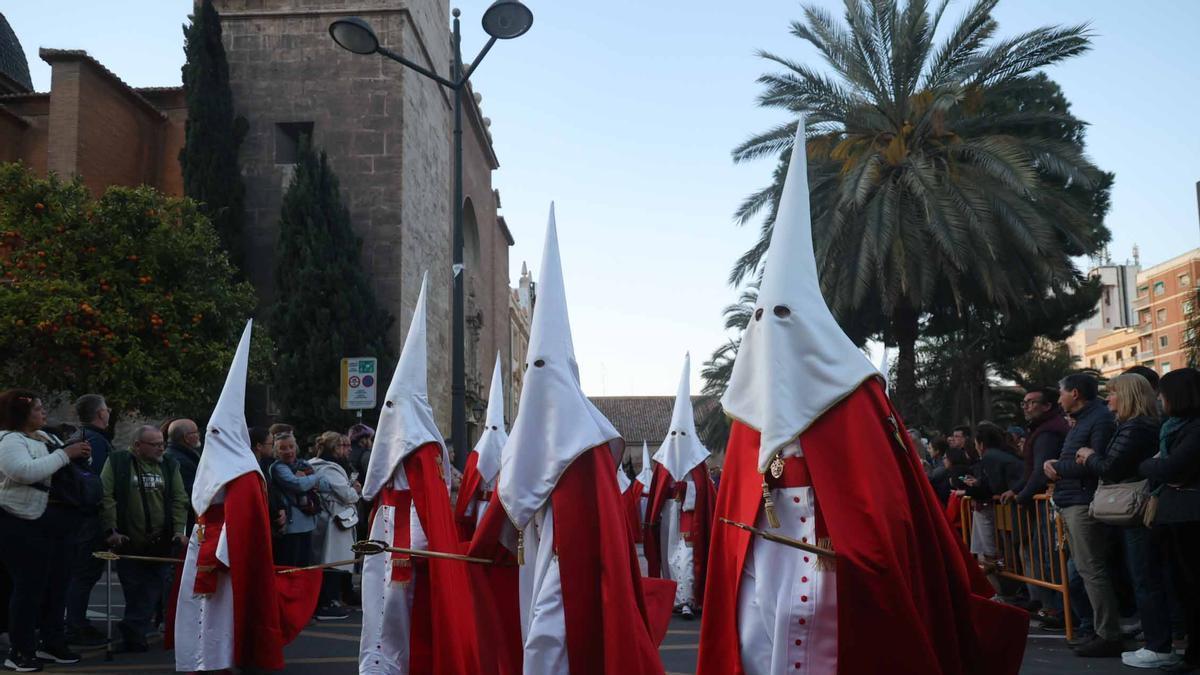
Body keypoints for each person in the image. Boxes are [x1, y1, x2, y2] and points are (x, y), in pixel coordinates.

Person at [697, 121, 1027, 675]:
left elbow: (884, 504)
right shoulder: (748, 405)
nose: (769, 331)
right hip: (763, 558)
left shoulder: (854, 390)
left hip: (833, 564)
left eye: (783, 316)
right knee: (759, 641)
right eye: (760, 318)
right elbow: (736, 501)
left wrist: (860, 546)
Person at [469, 212, 673, 674]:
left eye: (547, 368)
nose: (539, 381)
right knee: (531, 638)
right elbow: (509, 504)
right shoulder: (525, 437)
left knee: (547, 643)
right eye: (533, 367)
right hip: (532, 558)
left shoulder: (589, 445)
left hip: (567, 568)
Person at [168, 320, 321, 672]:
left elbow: (245, 519)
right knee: (205, 612)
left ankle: (217, 659)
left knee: (221, 614)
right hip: (207, 546)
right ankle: (202, 659)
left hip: (224, 553)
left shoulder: (246, 472)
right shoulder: (231, 467)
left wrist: (227, 553)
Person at [357, 272, 477, 674]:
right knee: (379, 604)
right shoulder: (422, 440)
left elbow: (426, 498)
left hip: (403, 533)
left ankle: (389, 665)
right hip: (387, 528)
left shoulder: (419, 444)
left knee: (393, 610)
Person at [1073, 372, 1177, 669]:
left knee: (1146, 578)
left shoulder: (1135, 428)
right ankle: (1157, 642)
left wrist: (1089, 455)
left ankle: (1159, 645)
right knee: (1146, 577)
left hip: (1137, 511)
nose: (1109, 398)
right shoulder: (1140, 425)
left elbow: (1111, 468)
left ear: (1128, 395)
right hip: (1140, 509)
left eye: (1114, 393)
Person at [0, 389, 91, 671]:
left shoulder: (47, 437)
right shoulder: (8, 440)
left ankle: (52, 642)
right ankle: (20, 650)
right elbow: (23, 472)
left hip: (58, 520)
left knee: (57, 584)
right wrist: (65, 454)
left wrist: (79, 457)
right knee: (28, 588)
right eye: (38, 409)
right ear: (21, 413)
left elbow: (62, 467)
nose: (43, 413)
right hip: (22, 520)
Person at [1043, 372, 1119, 657]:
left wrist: (1057, 467)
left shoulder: (1098, 418)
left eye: (1061, 392)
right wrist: (1057, 464)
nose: (1058, 398)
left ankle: (1107, 634)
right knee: (1082, 573)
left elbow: (1095, 462)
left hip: (1083, 502)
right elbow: (1074, 457)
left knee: (1091, 570)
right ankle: (1096, 630)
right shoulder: (1085, 419)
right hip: (1072, 499)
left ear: (1074, 393)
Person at [100, 425, 188, 652]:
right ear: (138, 445)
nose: (161, 448)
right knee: (133, 587)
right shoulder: (118, 462)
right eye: (155, 444)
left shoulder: (169, 465)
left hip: (160, 540)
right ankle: (134, 630)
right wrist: (111, 530)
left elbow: (179, 498)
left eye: (162, 443)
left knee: (153, 587)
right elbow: (106, 496)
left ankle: (134, 631)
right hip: (128, 539)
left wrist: (179, 530)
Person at [644, 353, 716, 620]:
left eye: (682, 434)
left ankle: (687, 599)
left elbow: (704, 493)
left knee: (686, 556)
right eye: (674, 434)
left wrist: (688, 493)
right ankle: (673, 597)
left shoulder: (698, 464)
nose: (677, 439)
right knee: (669, 556)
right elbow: (655, 494)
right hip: (667, 517)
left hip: (688, 516)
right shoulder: (662, 463)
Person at [1139, 368, 1200, 671]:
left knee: (1191, 587)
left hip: (1188, 516)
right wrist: (1157, 465)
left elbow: (1171, 468)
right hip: (1174, 515)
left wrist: (1154, 465)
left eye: (1162, 395)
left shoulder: (1194, 428)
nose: (1159, 401)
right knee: (1182, 588)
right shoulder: (1173, 427)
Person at [1007, 386, 1069, 630]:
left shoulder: (1048, 432)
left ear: (1047, 406)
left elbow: (1040, 471)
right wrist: (1017, 490)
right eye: (1024, 402)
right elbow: (1032, 468)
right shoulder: (1042, 430)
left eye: (1032, 402)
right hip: (1044, 499)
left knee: (1048, 556)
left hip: (1051, 502)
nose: (1026, 406)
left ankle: (1056, 608)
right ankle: (1051, 606)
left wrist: (1022, 495)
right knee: (1042, 554)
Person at [63, 394, 112, 647]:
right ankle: (76, 625)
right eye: (106, 409)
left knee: (80, 572)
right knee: (84, 573)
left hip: (77, 516)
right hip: (89, 517)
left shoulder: (80, 438)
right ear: (100, 414)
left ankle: (74, 622)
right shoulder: (95, 442)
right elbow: (103, 483)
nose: (109, 412)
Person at [454, 354, 507, 542]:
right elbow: (469, 488)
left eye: (494, 429)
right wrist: (467, 513)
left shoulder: (509, 455)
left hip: (501, 511)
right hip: (481, 508)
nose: (491, 434)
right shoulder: (477, 455)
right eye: (487, 429)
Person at [308, 432, 360, 621]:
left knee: (333, 560)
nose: (347, 449)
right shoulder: (328, 468)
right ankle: (326, 603)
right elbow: (347, 495)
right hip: (333, 520)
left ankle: (334, 599)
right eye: (343, 446)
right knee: (332, 560)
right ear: (333, 448)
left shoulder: (319, 465)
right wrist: (355, 490)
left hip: (331, 518)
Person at [269, 431, 330, 567]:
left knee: (304, 566)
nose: (288, 451)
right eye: (283, 448)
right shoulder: (278, 468)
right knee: (290, 566)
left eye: (291, 446)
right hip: (291, 527)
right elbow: (298, 485)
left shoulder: (303, 464)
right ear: (276, 451)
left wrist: (307, 479)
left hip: (308, 522)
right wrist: (314, 478)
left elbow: (326, 485)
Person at [164, 419, 202, 533]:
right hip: (185, 521)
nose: (199, 435)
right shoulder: (179, 461)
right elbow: (191, 493)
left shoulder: (184, 456)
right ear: (186, 437)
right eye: (196, 432)